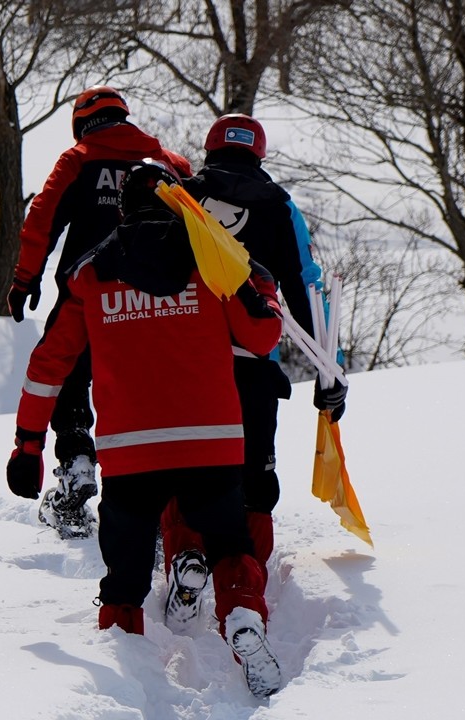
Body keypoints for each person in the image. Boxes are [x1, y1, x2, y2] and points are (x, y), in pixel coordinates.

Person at [5, 159, 286, 697]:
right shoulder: (213, 263)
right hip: (212, 444)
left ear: (123, 210)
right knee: (230, 547)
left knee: (125, 585)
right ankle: (244, 618)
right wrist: (264, 288)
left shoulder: (89, 272)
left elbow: (49, 365)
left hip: (131, 454)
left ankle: (128, 689)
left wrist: (29, 444)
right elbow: (263, 337)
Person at [159, 114, 348, 634]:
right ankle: (243, 592)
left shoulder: (181, 197)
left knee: (187, 472)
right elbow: (307, 287)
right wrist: (331, 369)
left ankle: (186, 556)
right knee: (254, 485)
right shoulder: (280, 207)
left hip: (187, 368)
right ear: (258, 155)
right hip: (253, 372)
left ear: (209, 149)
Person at [7, 86, 193, 539]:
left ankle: (76, 463)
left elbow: (41, 219)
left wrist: (24, 278)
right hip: (161, 303)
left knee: (68, 375)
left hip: (87, 296)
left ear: (81, 122)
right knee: (145, 394)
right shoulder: (170, 164)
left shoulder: (78, 160)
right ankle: (157, 506)